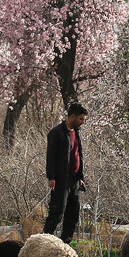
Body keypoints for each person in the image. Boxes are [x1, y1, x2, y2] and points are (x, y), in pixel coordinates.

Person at [44, 103, 87, 243]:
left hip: (74, 179)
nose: (82, 122)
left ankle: (65, 244)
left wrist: (80, 177)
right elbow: (50, 156)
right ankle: (45, 241)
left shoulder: (76, 132)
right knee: (57, 213)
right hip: (61, 179)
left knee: (73, 214)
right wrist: (51, 177)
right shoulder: (57, 132)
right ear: (72, 116)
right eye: (81, 119)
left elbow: (78, 154)